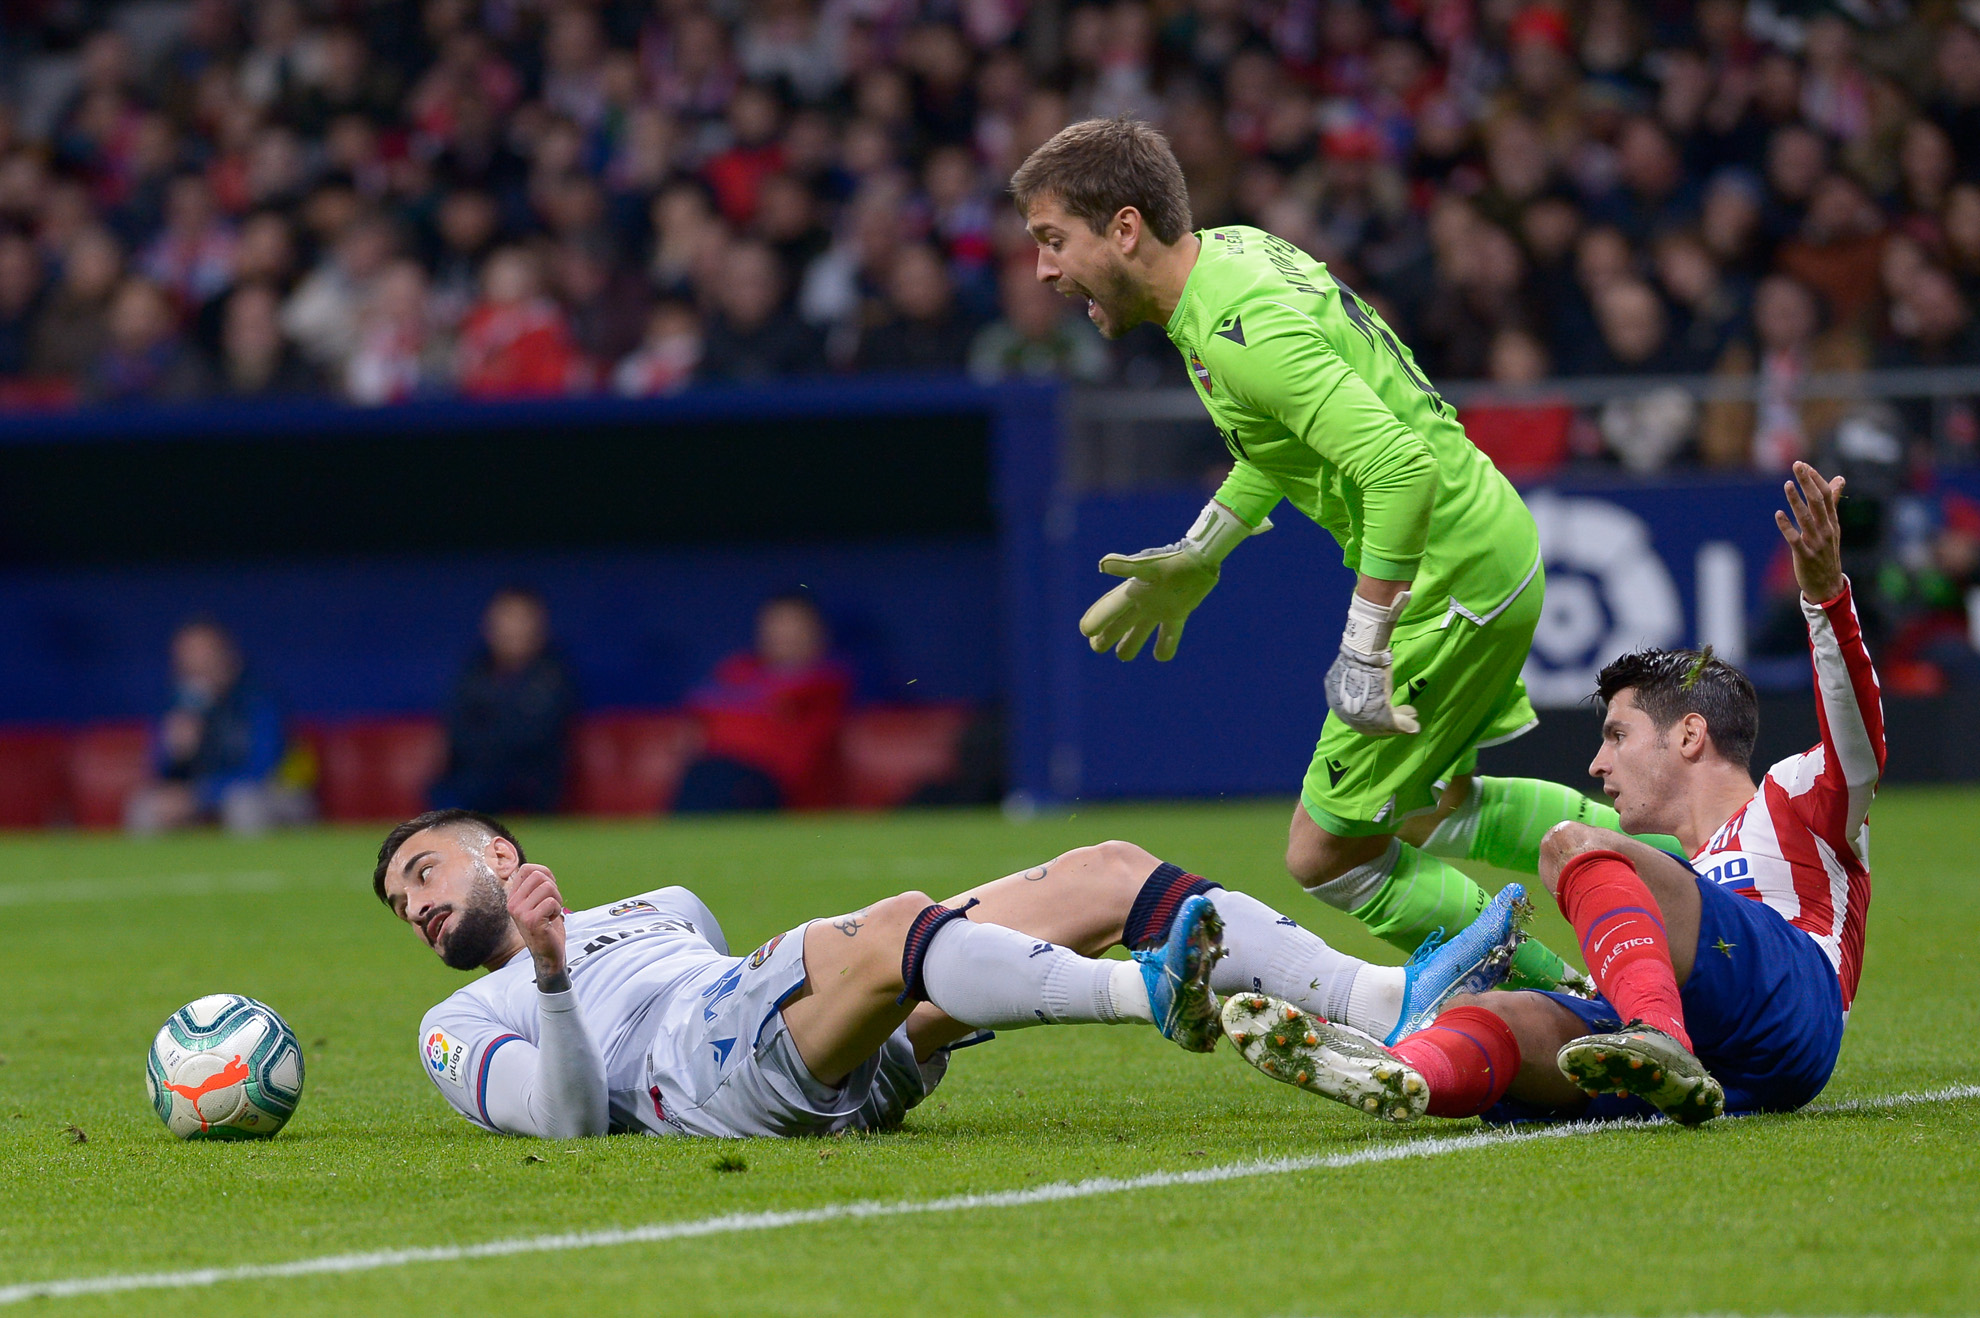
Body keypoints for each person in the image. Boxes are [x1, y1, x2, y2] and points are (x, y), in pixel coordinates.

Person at [1011, 116, 1653, 995]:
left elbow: (1399, 470)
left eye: (1053, 241)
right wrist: (1201, 550)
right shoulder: (1229, 258)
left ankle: (1572, 1004)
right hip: (1482, 548)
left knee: (1326, 851)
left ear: (1125, 229)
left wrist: (1365, 648)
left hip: (1450, 578)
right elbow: (1282, 443)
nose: (1043, 270)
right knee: (1427, 809)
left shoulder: (1236, 327)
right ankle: (1693, 861)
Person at [1228, 463, 1881, 1127]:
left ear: (1689, 735)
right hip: (1718, 1055)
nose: (1598, 763)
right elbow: (1472, 816)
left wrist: (1826, 600)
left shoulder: (1792, 798)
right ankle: (1404, 1072)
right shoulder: (1677, 866)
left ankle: (1656, 1033)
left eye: (1617, 735)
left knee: (1570, 845)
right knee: (1485, 1015)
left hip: (1790, 997)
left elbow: (1858, 742)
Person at [374, 807, 1529, 1138]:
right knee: (893, 927)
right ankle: (1148, 994)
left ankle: (1384, 1000)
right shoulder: (455, 1020)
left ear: (500, 854)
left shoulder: (668, 908)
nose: (415, 905)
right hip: (696, 1072)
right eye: (399, 904)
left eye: (423, 871)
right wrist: (550, 972)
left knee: (1105, 870)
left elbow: (754, 989)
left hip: (802, 1052)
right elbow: (573, 1125)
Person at [125, 619, 311, 835]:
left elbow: (261, 770)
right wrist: (178, 755)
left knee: (243, 804)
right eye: (187, 656)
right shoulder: (177, 704)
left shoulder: (258, 698)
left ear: (225, 654)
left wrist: (200, 795)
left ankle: (258, 860)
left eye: (204, 653)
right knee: (146, 806)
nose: (196, 664)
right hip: (203, 796)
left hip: (274, 793)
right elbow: (160, 773)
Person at [675, 592, 851, 812]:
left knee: (725, 779)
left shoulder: (828, 681)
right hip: (716, 770)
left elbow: (777, 748)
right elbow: (697, 710)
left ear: (817, 633)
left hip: (778, 787)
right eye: (776, 625)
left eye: (794, 625)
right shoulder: (737, 670)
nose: (784, 635)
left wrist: (723, 727)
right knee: (705, 775)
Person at [431, 588, 579, 816]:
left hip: (534, 783)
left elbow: (541, 735)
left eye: (523, 618)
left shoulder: (554, 674)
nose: (514, 628)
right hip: (477, 780)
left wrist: (493, 732)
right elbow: (460, 733)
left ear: (539, 627)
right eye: (507, 617)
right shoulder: (472, 673)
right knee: (450, 791)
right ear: (490, 626)